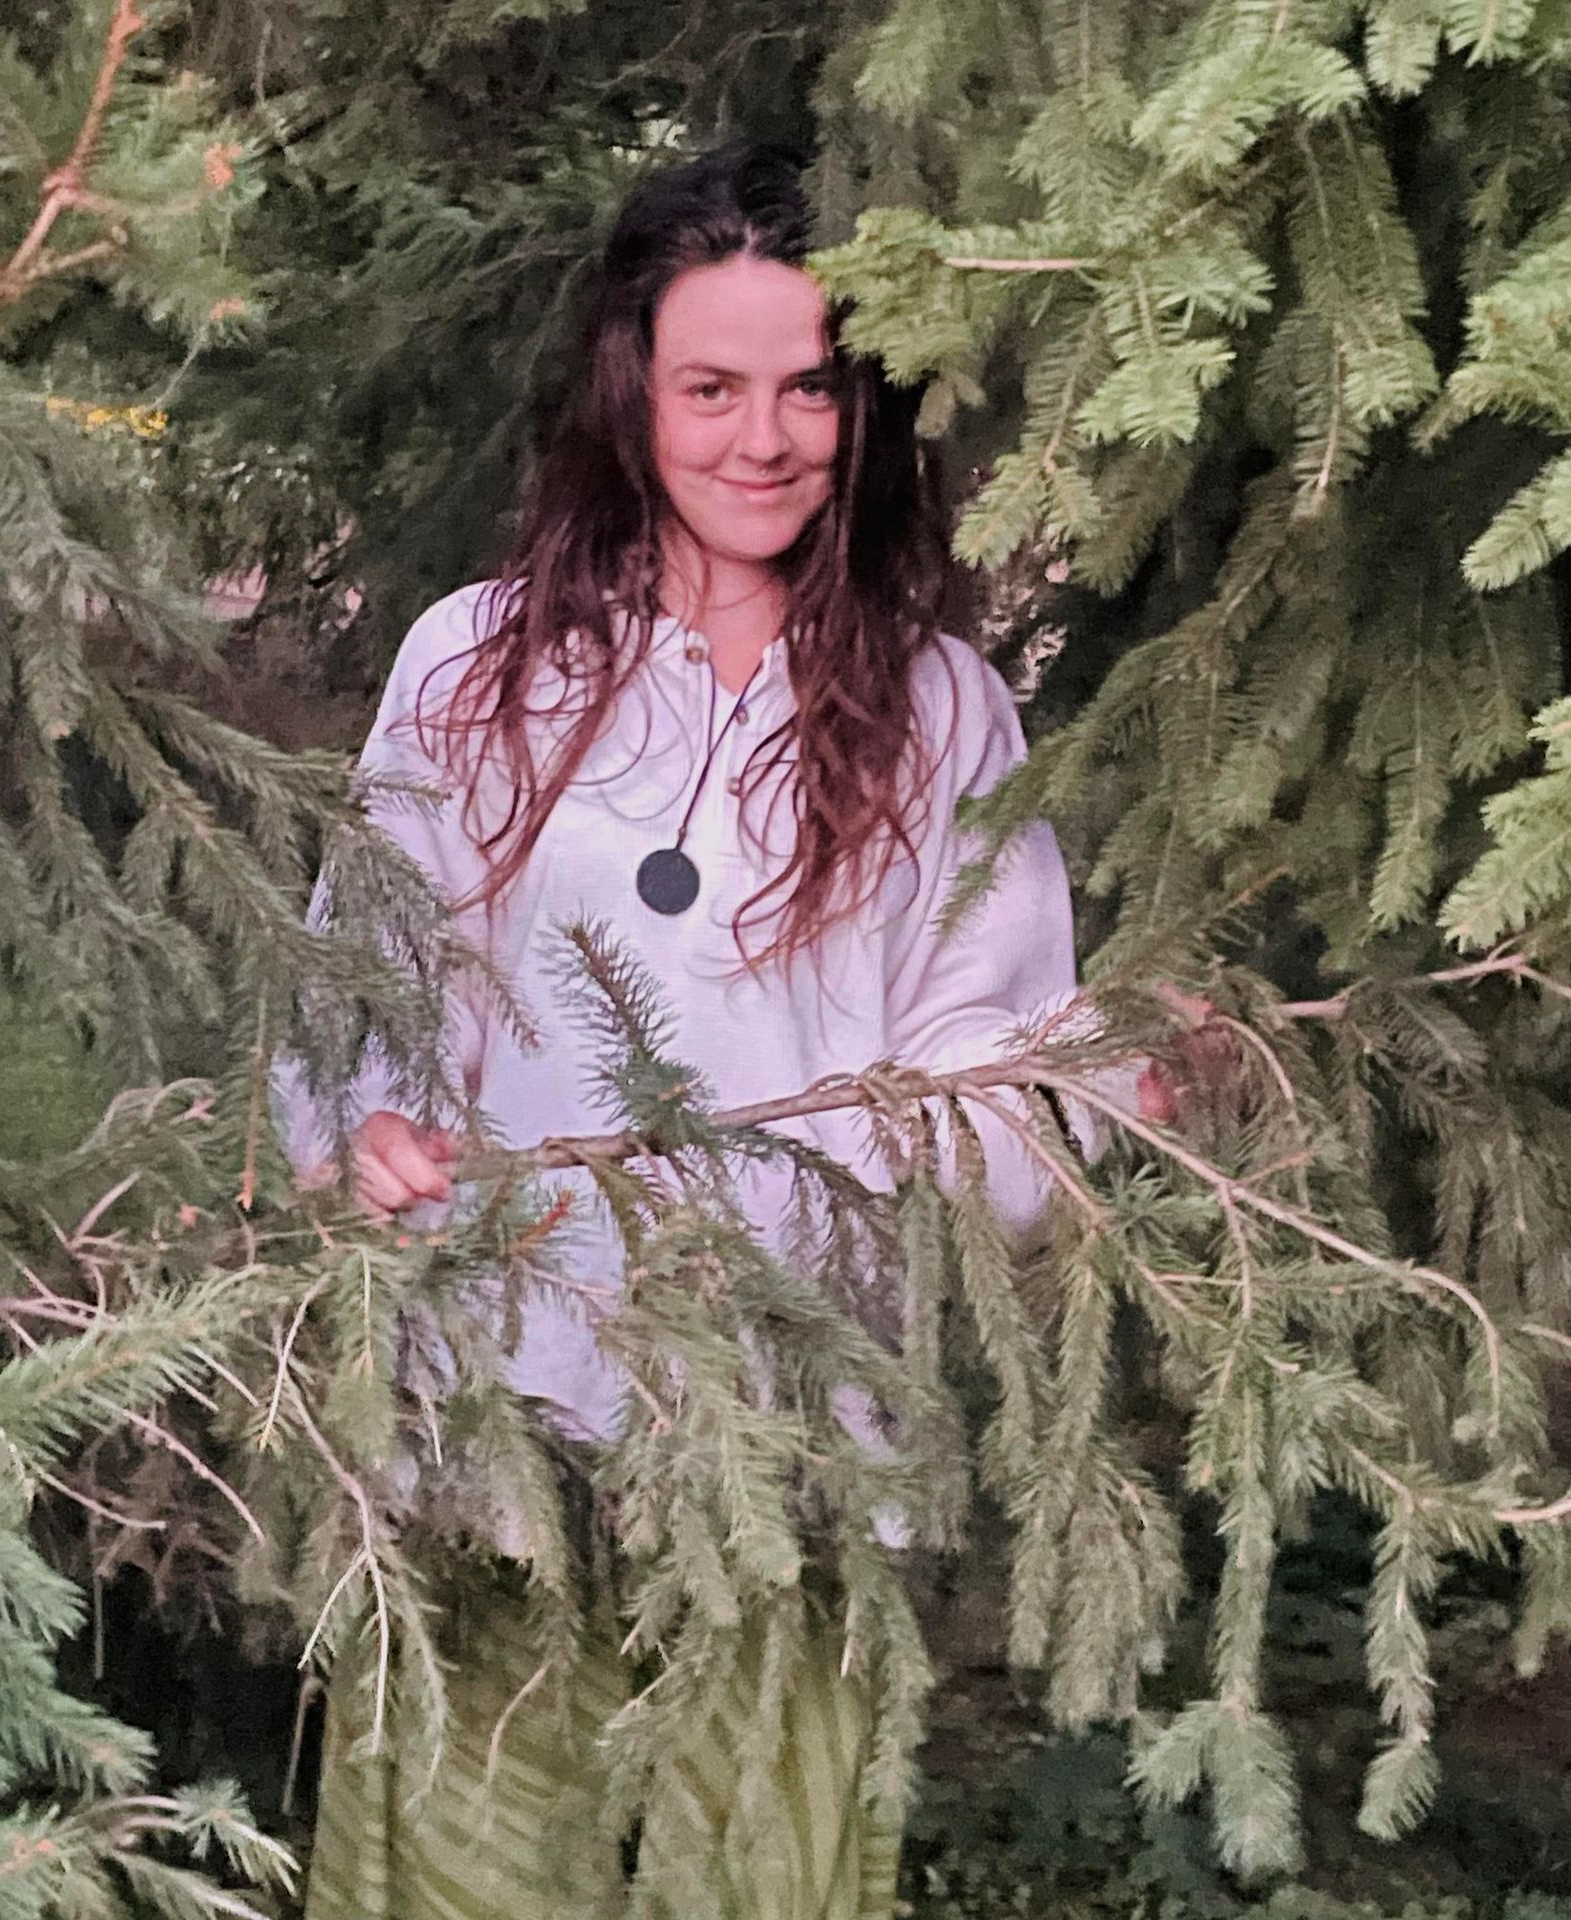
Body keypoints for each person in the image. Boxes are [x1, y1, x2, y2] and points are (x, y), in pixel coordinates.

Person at [280, 140, 1082, 1920]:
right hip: (505, 1382)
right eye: (711, 387)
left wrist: (1048, 1110)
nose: (763, 439)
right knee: (457, 1870)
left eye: (810, 389)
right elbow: (374, 975)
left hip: (795, 1416)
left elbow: (988, 1047)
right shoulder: (476, 658)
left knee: (767, 1878)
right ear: (631, 389)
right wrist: (371, 1136)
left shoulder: (941, 704)